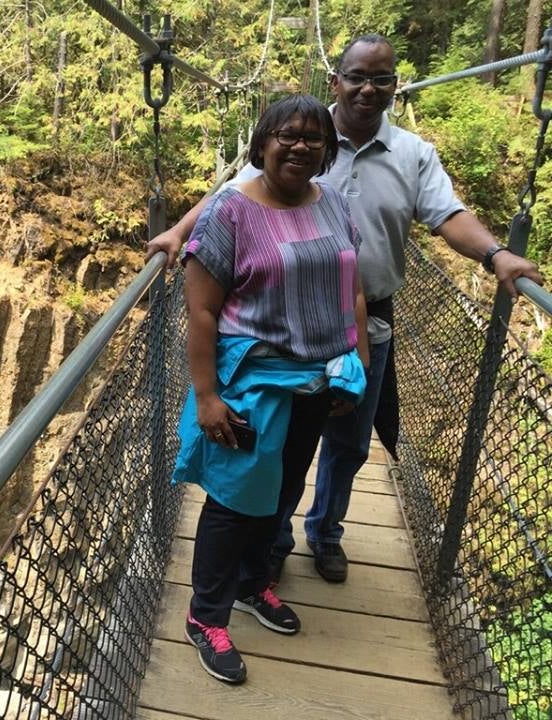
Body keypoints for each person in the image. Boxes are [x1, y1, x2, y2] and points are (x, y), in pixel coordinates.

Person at [151, 34, 543, 586]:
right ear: (336, 80)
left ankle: (326, 532)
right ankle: (273, 542)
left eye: (381, 79)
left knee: (348, 440)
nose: (367, 88)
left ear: (394, 86)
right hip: (279, 334)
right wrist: (176, 231)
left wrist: (496, 254)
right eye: (357, 76)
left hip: (364, 319)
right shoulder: (300, 139)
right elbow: (231, 198)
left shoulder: (412, 154)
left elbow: (448, 215)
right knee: (280, 451)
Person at [175, 94, 368, 683]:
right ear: (262, 144)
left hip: (315, 379)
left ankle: (253, 584)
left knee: (282, 490)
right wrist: (208, 398)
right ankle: (204, 615)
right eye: (288, 135)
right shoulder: (229, 212)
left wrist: (354, 364)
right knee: (235, 502)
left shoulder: (333, 201)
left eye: (314, 138)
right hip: (253, 382)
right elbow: (201, 311)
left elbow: (351, 287)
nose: (301, 146)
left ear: (327, 152)